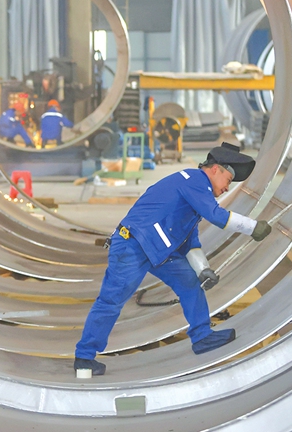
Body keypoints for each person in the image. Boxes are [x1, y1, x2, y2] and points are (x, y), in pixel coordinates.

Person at [73, 143, 272, 377]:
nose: (227, 188)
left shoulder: (195, 198)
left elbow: (190, 241)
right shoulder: (194, 180)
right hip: (133, 245)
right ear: (215, 169)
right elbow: (217, 216)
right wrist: (253, 227)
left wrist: (203, 270)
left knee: (190, 282)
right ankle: (84, 358)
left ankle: (202, 337)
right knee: (112, 300)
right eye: (228, 180)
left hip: (159, 251)